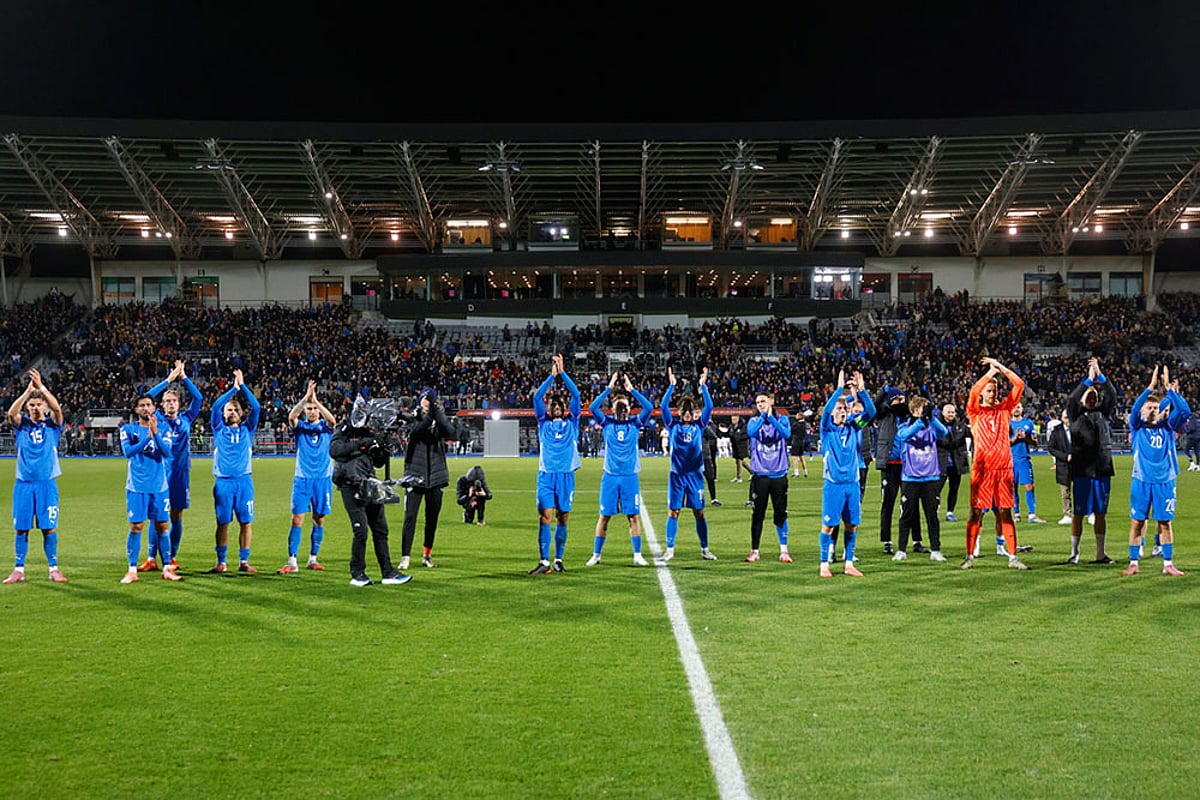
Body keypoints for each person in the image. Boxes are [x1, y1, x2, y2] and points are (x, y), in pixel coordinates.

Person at [330, 396, 410, 586]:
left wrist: (383, 447)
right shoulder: (344, 428)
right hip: (350, 484)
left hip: (369, 481)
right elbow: (334, 450)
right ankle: (357, 573)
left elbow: (378, 462)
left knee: (381, 529)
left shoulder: (371, 431)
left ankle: (388, 572)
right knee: (361, 531)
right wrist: (363, 444)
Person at [960, 357, 1030, 570]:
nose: (993, 393)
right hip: (982, 469)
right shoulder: (975, 412)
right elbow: (973, 392)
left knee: (1006, 512)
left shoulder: (1005, 409)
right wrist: (990, 374)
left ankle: (1012, 557)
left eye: (995, 390)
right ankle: (970, 556)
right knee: (976, 512)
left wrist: (1002, 369)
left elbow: (1019, 385)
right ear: (983, 392)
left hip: (1003, 469)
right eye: (989, 390)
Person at [1123, 365, 1190, 577]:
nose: (1152, 410)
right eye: (1148, 408)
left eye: (1155, 408)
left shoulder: (1168, 428)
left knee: (1165, 523)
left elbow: (1185, 412)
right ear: (1143, 412)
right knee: (1137, 522)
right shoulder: (1137, 427)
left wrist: (1171, 391)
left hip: (1165, 481)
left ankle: (1168, 563)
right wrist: (1150, 387)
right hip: (1141, 481)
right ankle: (1134, 562)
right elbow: (1134, 410)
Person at [3, 369, 67, 584]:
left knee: (48, 527)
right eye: (32, 405)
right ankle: (19, 569)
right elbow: (11, 414)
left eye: (39, 404)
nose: (35, 407)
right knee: (21, 528)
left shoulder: (53, 426)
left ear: (45, 407)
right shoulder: (22, 426)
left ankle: (53, 568)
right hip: (23, 484)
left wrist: (41, 388)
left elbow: (57, 408)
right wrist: (27, 393)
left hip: (46, 484)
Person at [138, 360, 202, 572]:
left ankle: (171, 557)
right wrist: (169, 379)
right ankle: (150, 558)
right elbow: (146, 398)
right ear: (162, 405)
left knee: (176, 516)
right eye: (167, 400)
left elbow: (199, 398)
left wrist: (184, 377)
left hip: (180, 475)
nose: (171, 403)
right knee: (156, 516)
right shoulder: (157, 420)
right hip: (160, 474)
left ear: (179, 403)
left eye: (174, 400)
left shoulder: (187, 419)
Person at [586, 372, 653, 566]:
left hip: (630, 477)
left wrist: (631, 390)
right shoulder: (607, 423)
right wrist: (609, 387)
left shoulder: (635, 423)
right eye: (618, 405)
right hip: (610, 476)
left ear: (630, 408)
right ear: (613, 408)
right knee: (604, 516)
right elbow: (592, 407)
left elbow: (648, 407)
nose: (622, 408)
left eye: (624, 405)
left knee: (633, 516)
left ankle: (637, 554)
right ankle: (596, 555)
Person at [817, 370, 875, 578]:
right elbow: (825, 412)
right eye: (838, 409)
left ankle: (848, 563)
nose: (842, 411)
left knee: (852, 524)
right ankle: (824, 564)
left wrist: (861, 390)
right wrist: (840, 390)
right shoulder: (827, 429)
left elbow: (871, 412)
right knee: (829, 525)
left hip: (852, 483)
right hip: (834, 485)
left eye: (844, 408)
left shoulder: (854, 426)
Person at [119, 394, 181, 583]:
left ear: (154, 408)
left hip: (159, 486)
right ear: (136, 410)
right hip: (137, 486)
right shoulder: (128, 429)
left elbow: (167, 452)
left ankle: (167, 568)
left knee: (162, 525)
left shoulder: (164, 428)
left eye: (149, 405)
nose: (146, 408)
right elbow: (128, 452)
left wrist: (155, 433)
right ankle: (131, 570)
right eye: (142, 405)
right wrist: (148, 436)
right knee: (137, 526)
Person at [530, 354, 581, 574]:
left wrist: (563, 373)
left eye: (560, 404)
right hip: (546, 475)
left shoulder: (572, 423)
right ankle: (544, 562)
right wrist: (551, 377)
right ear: (550, 409)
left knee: (563, 517)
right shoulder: (543, 424)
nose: (557, 406)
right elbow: (536, 398)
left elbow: (576, 394)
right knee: (545, 516)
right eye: (554, 405)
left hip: (566, 475)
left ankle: (558, 560)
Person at [660, 366, 717, 562]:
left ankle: (705, 548)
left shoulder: (699, 426)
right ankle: (670, 549)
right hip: (676, 476)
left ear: (693, 412)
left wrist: (703, 387)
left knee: (699, 512)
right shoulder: (672, 425)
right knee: (673, 512)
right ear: (679, 412)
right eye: (683, 409)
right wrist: (671, 387)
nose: (686, 412)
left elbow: (709, 408)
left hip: (695, 476)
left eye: (689, 410)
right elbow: (662, 407)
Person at [277, 380, 335, 574]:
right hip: (302, 479)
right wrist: (305, 398)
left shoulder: (326, 428)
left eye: (313, 409)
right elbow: (291, 416)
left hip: (322, 479)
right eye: (308, 409)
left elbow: (333, 421)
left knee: (319, 519)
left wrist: (316, 401)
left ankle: (313, 559)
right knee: (297, 519)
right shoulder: (300, 427)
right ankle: (292, 561)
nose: (311, 411)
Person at [207, 369, 260, 574]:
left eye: (235, 409)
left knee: (246, 522)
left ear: (241, 414)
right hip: (223, 483)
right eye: (228, 409)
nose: (231, 412)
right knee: (223, 523)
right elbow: (215, 406)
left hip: (244, 482)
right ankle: (221, 562)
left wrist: (243, 386)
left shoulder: (248, 429)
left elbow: (255, 406)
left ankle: (244, 562)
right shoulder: (218, 427)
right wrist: (233, 390)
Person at [1066, 357, 1118, 565]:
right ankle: (1074, 553)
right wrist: (1088, 381)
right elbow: (1071, 399)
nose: (1092, 397)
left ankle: (1100, 553)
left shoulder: (1103, 414)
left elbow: (1112, 394)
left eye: (1095, 395)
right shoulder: (1075, 414)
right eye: (1088, 395)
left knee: (1100, 513)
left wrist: (1100, 374)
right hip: (1082, 471)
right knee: (1078, 514)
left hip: (1102, 470)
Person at [399, 387, 457, 569]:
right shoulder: (412, 417)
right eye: (424, 398)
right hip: (415, 475)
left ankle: (427, 555)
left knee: (432, 519)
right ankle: (405, 557)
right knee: (410, 517)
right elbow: (417, 430)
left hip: (436, 476)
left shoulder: (439, 417)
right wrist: (431, 415)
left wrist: (437, 413)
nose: (426, 401)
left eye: (430, 399)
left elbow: (451, 433)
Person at [893, 396, 949, 562]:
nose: (926, 411)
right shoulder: (904, 426)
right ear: (915, 410)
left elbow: (944, 432)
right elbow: (904, 436)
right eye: (923, 408)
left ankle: (936, 550)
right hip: (910, 478)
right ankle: (902, 549)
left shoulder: (932, 426)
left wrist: (931, 418)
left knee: (932, 515)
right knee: (906, 515)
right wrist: (920, 421)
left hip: (930, 478)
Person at [874, 385, 924, 555]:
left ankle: (917, 540)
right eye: (898, 399)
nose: (902, 401)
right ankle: (887, 541)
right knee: (887, 504)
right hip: (889, 465)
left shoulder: (908, 417)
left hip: (908, 465)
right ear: (891, 400)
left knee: (912, 503)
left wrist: (923, 391)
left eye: (904, 398)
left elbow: (925, 407)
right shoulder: (884, 415)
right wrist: (884, 391)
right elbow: (873, 406)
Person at [744, 391, 792, 563]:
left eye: (763, 401)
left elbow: (786, 434)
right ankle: (755, 550)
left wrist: (771, 418)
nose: (760, 404)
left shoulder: (782, 419)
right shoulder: (754, 421)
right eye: (757, 402)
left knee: (780, 513)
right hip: (761, 476)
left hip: (779, 475)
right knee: (758, 514)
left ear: (771, 401)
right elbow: (751, 432)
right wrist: (764, 415)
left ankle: (784, 550)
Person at [1010, 402, 1045, 523]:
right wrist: (1015, 438)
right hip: (1010, 461)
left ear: (1022, 409)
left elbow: (1035, 443)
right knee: (1012, 488)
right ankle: (1016, 514)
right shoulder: (1006, 424)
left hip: (1024, 459)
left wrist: (1025, 437)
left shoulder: (1028, 424)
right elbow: (1004, 443)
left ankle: (1032, 514)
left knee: (1029, 486)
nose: (1016, 409)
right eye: (1014, 407)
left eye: (1018, 407)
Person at [937, 402, 970, 523]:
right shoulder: (937, 425)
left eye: (952, 412)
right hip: (940, 463)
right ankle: (935, 509)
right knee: (937, 488)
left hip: (957, 463)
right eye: (948, 412)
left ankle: (950, 512)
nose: (951, 414)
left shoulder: (960, 426)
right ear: (943, 412)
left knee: (954, 488)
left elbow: (972, 434)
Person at [1045, 408, 1073, 525]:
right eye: (1066, 417)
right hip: (1063, 464)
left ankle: (1086, 513)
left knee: (1082, 489)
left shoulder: (1079, 429)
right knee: (1065, 491)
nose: (1068, 419)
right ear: (1061, 419)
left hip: (1079, 464)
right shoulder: (1057, 431)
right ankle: (1067, 514)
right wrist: (1065, 456)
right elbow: (1051, 448)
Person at [702, 418, 722, 507]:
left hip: (705, 457)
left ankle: (713, 499)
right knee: (691, 480)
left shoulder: (704, 427)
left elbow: (713, 436)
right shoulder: (690, 427)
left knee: (710, 478)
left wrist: (705, 426)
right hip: (693, 459)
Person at [789, 408, 810, 478]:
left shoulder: (796, 424)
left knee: (794, 457)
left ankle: (796, 473)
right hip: (802, 442)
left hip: (795, 442)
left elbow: (790, 431)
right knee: (802, 457)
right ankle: (805, 472)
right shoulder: (804, 424)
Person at [729, 414, 750, 482]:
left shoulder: (743, 426)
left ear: (738, 419)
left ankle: (739, 477)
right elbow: (729, 434)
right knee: (740, 461)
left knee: (739, 461)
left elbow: (747, 435)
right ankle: (753, 472)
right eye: (732, 419)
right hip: (735, 446)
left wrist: (739, 437)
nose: (733, 421)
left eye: (734, 419)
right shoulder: (731, 426)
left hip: (742, 446)